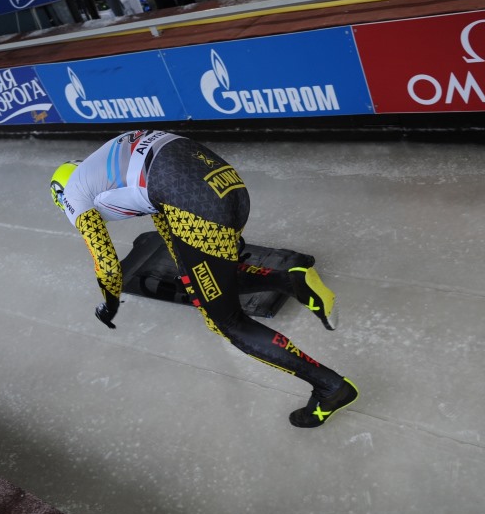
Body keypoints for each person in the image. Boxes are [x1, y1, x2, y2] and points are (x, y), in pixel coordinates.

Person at [49, 130, 358, 428]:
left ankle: (330, 388)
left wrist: (110, 302)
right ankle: (288, 281)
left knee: (225, 321)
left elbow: (107, 265)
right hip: (229, 189)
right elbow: (162, 209)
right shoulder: (104, 164)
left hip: (199, 209)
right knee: (207, 280)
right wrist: (189, 270)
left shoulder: (74, 192)